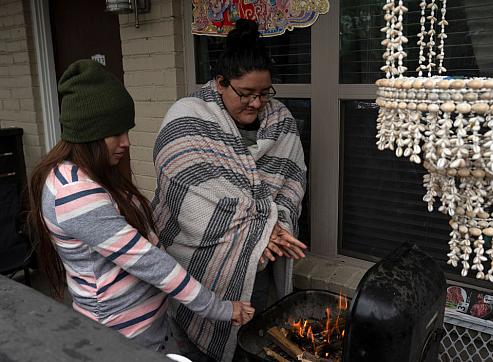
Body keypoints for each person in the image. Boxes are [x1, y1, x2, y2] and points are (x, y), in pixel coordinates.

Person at [27, 59, 254, 355]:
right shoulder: (75, 192)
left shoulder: (89, 174)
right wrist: (221, 309)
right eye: (116, 133)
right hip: (121, 338)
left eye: (127, 131)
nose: (126, 142)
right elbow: (148, 261)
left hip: (147, 330)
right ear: (89, 134)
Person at [152, 19, 307, 361]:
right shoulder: (188, 115)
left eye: (264, 93)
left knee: (252, 342)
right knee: (197, 352)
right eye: (246, 94)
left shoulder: (280, 119)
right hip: (198, 265)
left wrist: (273, 227)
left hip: (258, 266)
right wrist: (259, 230)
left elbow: (291, 182)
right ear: (221, 83)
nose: (256, 104)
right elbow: (184, 185)